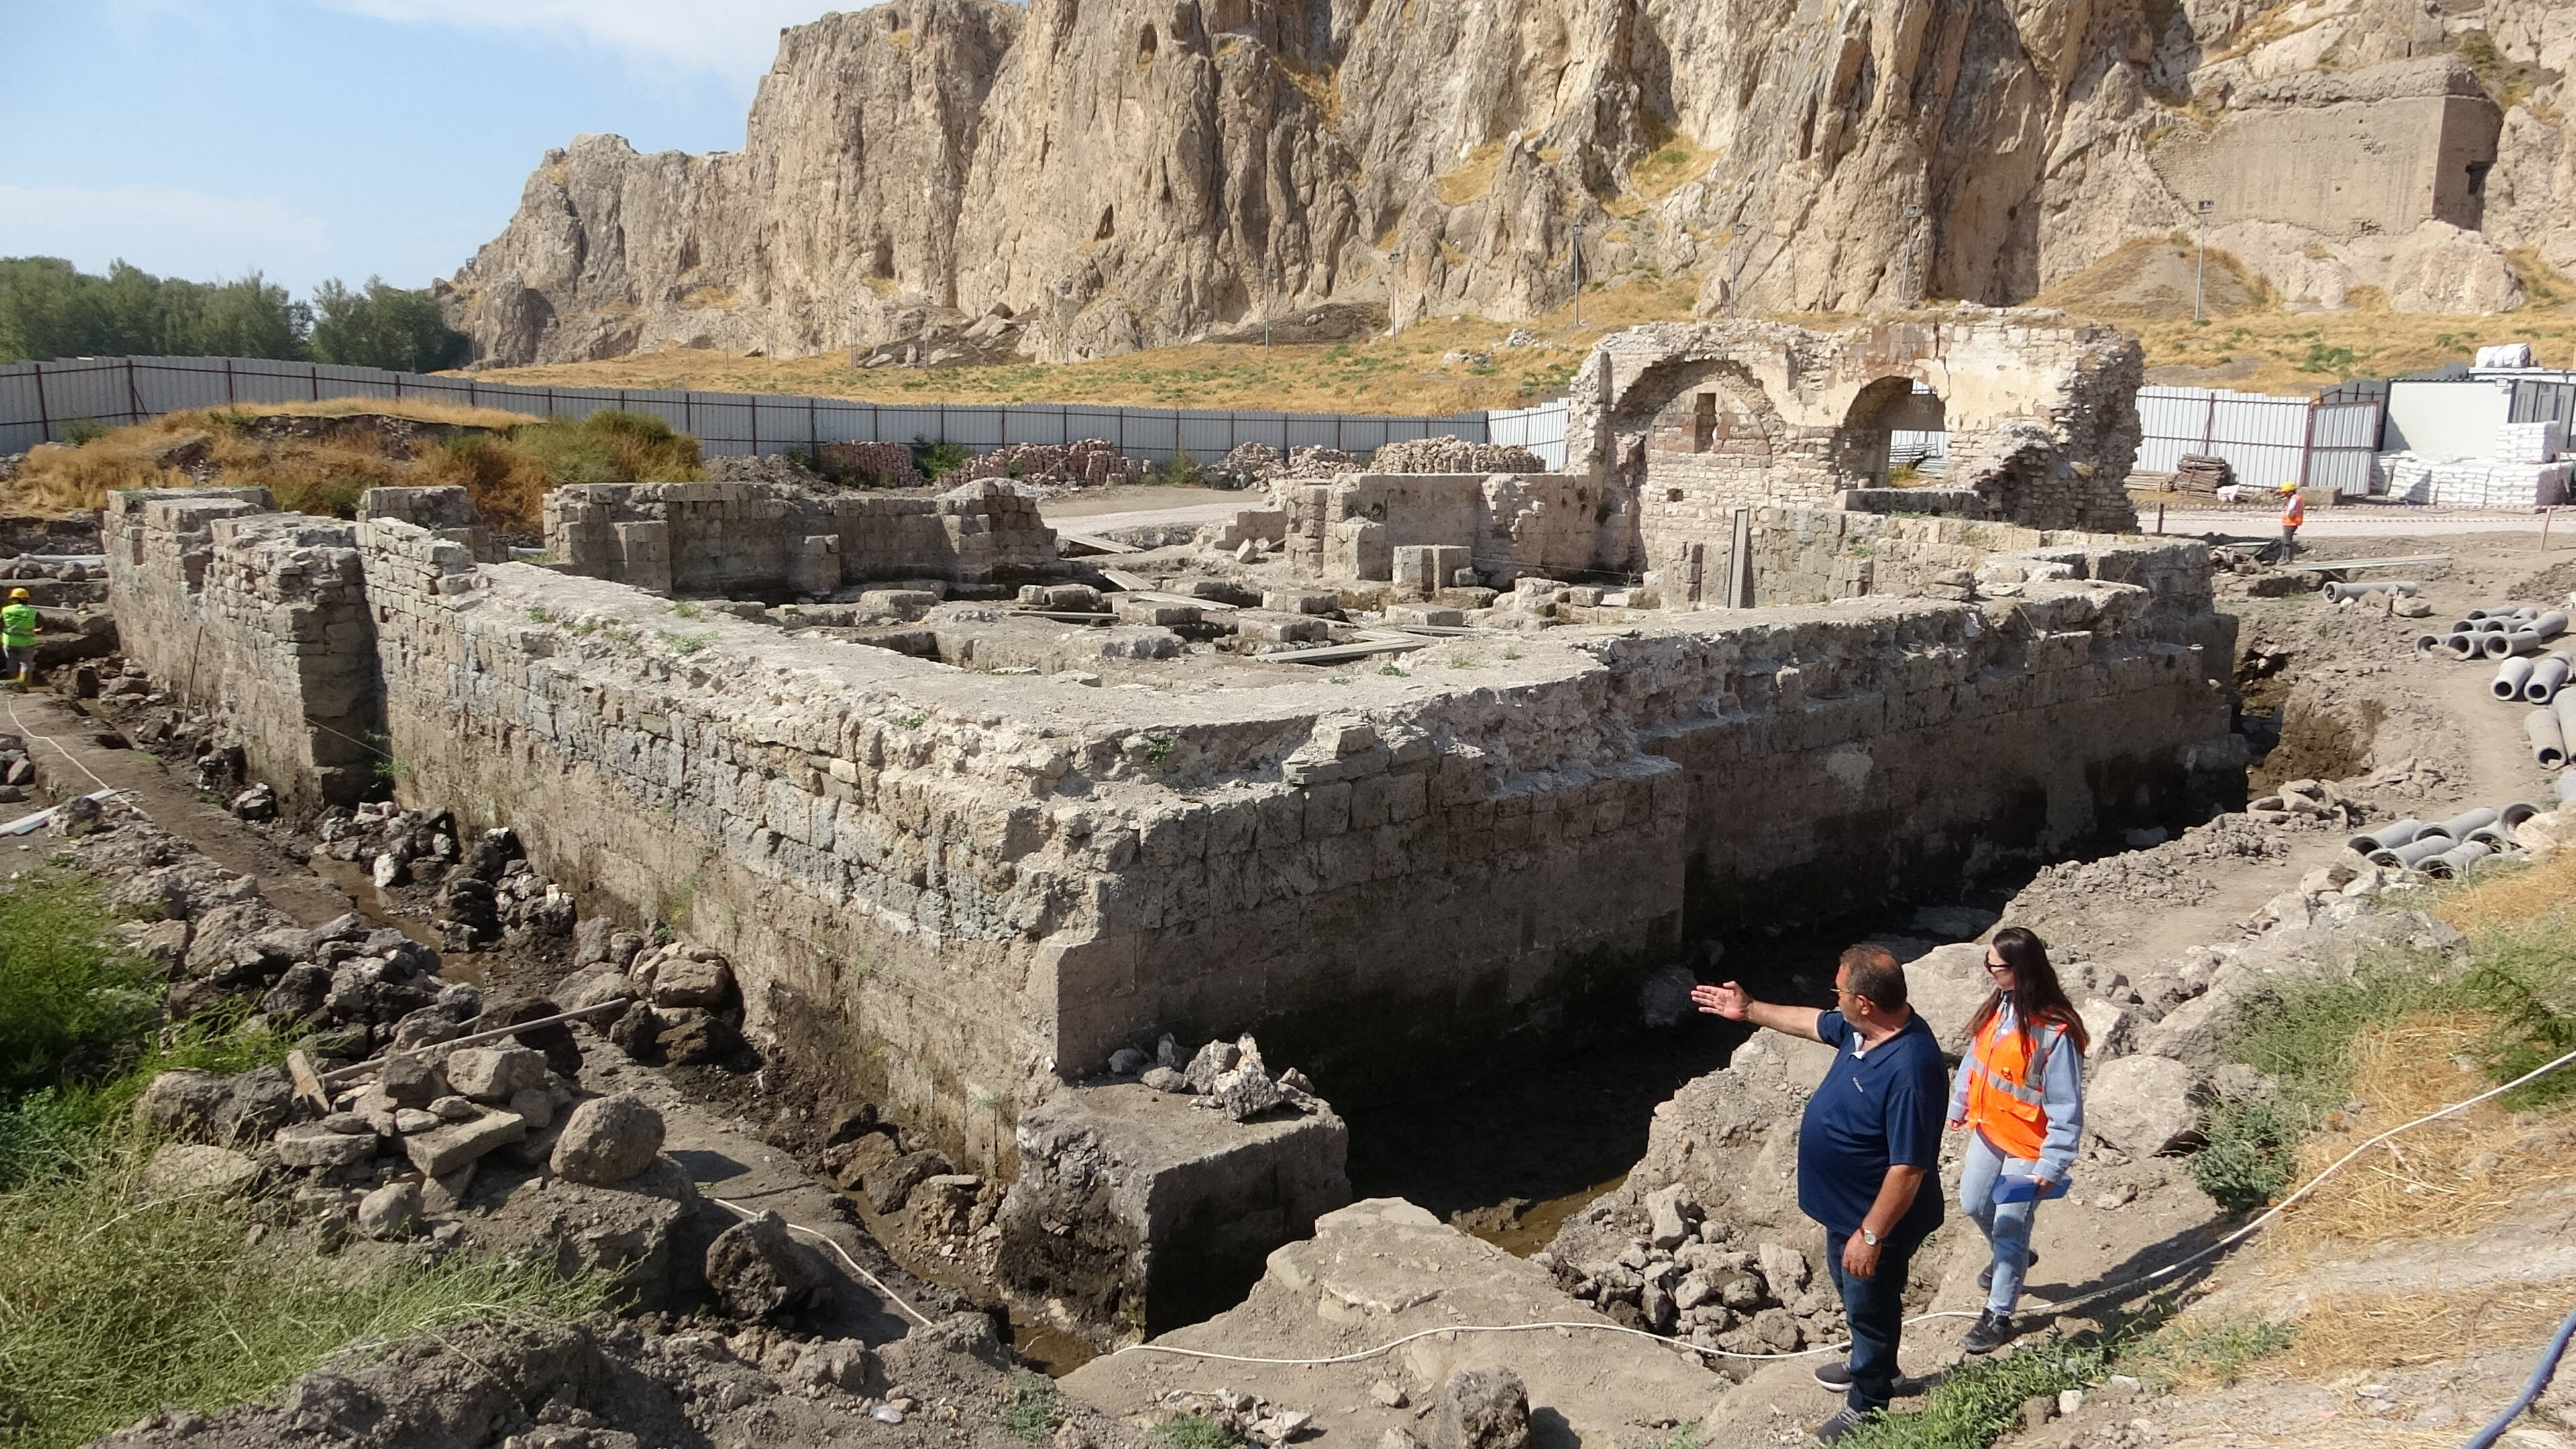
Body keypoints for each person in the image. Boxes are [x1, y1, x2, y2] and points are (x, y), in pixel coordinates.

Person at [1693, 945, 1947, 1443]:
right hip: (1844, 1213)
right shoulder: (1862, 1030)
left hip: (1875, 1223)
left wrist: (1871, 1236)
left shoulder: (1912, 1068)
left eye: (1840, 992)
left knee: (1870, 1306)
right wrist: (1750, 1010)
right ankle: (1873, 1366)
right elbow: (1812, 1023)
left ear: (1866, 1002)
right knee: (1859, 1301)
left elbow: (1909, 1168)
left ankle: (1868, 1402)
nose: (1835, 1000)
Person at [1947, 926, 2088, 1355]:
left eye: (1997, 965)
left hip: (2029, 1148)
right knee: (1973, 1203)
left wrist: (2052, 1166)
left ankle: (1998, 1315)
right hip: (1991, 1132)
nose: (1989, 971)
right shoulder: (1998, 1008)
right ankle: (2016, 1259)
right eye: (1987, 962)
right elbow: (1976, 1060)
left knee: (2010, 1227)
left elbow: (2067, 1109)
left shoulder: (2054, 1033)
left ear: (2021, 969)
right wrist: (1960, 1102)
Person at [1, 588, 37, 690]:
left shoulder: (6, 610)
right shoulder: (33, 612)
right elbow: (44, 624)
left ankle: (12, 685)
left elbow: (1, 623)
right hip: (27, 642)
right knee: (26, 663)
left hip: (9, 641)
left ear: (14, 599)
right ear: (27, 600)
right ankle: (25, 684)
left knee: (11, 662)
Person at [2277, 481, 2304, 558]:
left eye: (2285, 493)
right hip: (2294, 522)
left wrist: (2288, 514)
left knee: (2287, 541)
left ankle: (2287, 558)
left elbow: (2291, 508)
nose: (2284, 495)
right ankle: (2284, 556)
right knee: (2286, 540)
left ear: (2290, 492)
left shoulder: (2294, 499)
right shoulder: (2299, 498)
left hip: (2290, 522)